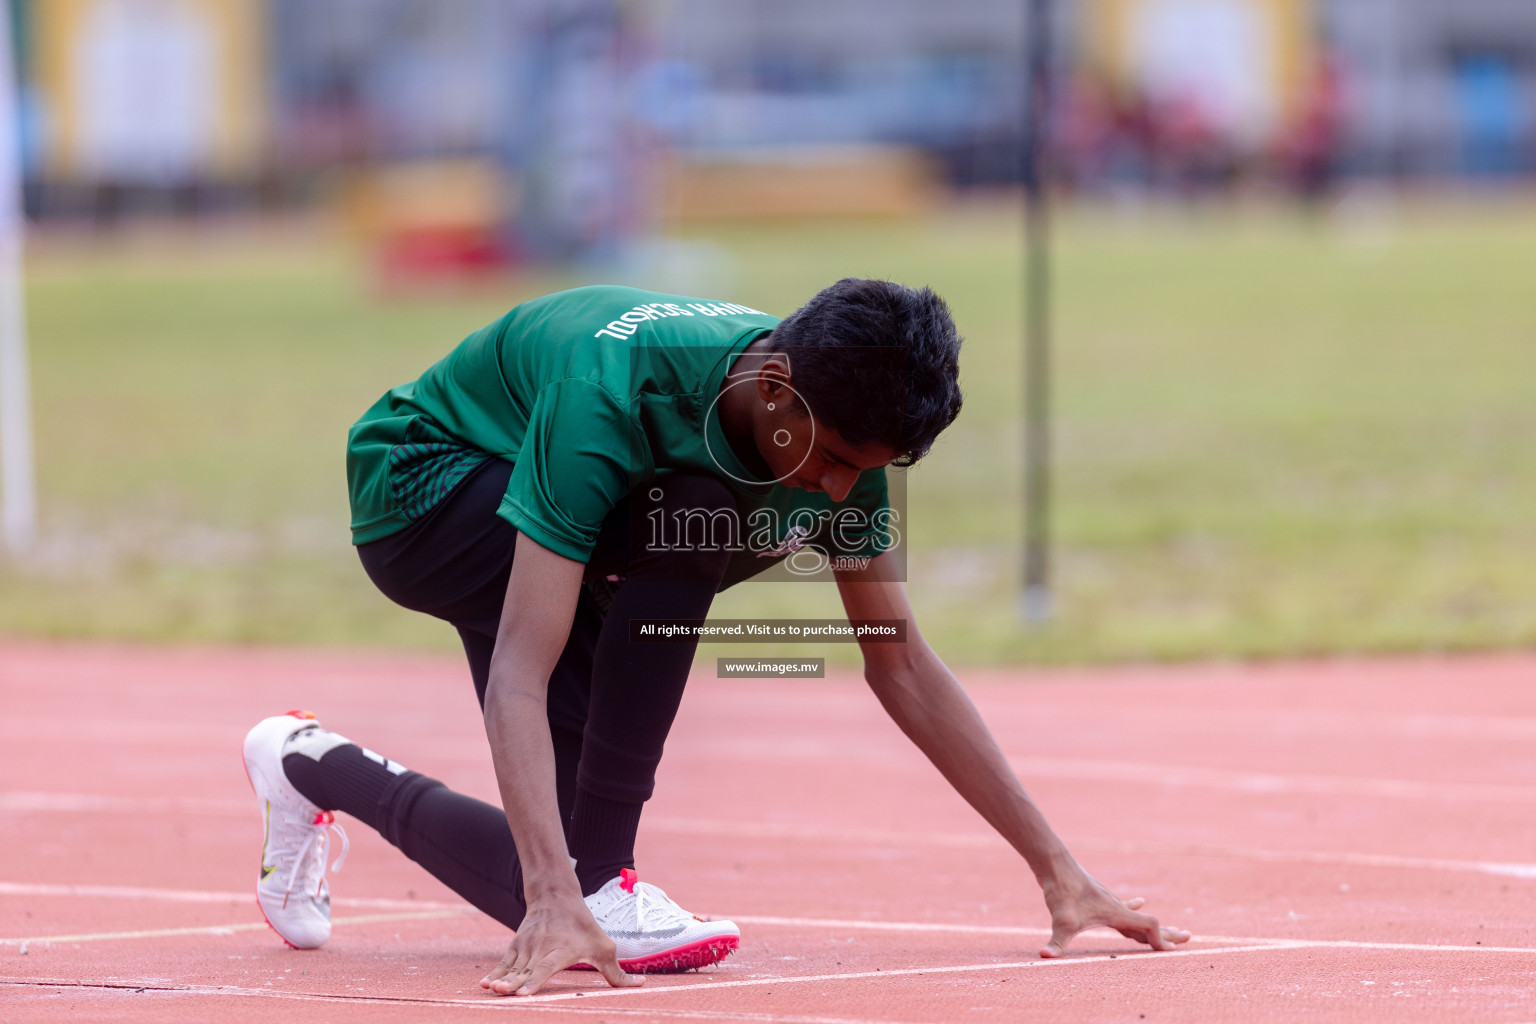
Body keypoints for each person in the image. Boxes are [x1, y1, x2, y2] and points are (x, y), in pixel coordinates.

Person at [240, 279, 1190, 997]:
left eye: (864, 473)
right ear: (776, 387)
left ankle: (308, 762)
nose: (833, 493)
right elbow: (521, 668)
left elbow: (898, 658)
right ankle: (604, 879)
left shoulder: (839, 440)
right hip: (425, 490)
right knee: (691, 514)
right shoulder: (605, 397)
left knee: (547, 878)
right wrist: (564, 889)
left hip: (599, 524)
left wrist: (1061, 873)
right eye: (829, 463)